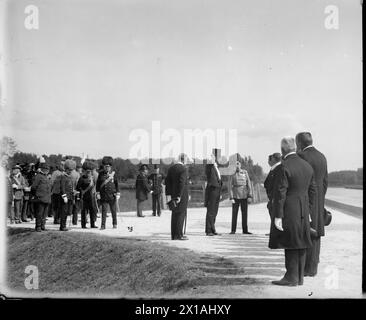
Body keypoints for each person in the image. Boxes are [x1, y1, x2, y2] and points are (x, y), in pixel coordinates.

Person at [270, 137, 316, 286]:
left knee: (290, 242)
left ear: (283, 150)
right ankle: (299, 278)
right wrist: (308, 210)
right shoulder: (307, 166)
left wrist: (277, 215)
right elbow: (313, 191)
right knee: (302, 241)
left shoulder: (284, 166)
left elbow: (280, 193)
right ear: (294, 148)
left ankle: (291, 277)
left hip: (289, 209)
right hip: (303, 208)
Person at [296, 132, 328, 277]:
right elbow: (325, 182)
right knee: (316, 235)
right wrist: (320, 199)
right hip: (319, 200)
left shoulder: (302, 156)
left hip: (306, 200)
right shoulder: (322, 156)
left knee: (305, 232)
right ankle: (313, 268)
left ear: (300, 143)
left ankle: (305, 269)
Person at [165, 153, 189, 240]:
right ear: (183, 160)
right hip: (181, 195)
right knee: (181, 214)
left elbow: (167, 182)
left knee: (174, 214)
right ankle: (179, 235)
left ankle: (174, 235)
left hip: (172, 194)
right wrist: (179, 195)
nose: (187, 161)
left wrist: (168, 195)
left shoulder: (171, 168)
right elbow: (182, 183)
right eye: (186, 159)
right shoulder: (183, 169)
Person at [228, 160, 253, 234]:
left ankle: (245, 230)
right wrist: (231, 197)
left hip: (244, 195)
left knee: (245, 214)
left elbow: (249, 184)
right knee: (234, 214)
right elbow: (230, 186)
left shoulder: (245, 172)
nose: (237, 166)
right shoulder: (232, 174)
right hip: (235, 196)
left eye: (238, 164)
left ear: (240, 165)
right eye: (235, 165)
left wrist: (250, 195)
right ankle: (233, 230)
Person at [96, 156, 120, 230]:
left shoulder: (113, 174)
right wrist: (98, 193)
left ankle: (115, 223)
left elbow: (116, 184)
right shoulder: (100, 174)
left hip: (112, 195)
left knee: (113, 211)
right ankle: (103, 226)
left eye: (108, 166)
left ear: (111, 167)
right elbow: (98, 184)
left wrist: (118, 193)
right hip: (104, 195)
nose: (107, 168)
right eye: (106, 166)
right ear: (104, 166)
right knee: (104, 211)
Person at [263, 153, 282, 235]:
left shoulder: (278, 169)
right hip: (272, 197)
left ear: (273, 159)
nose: (268, 162)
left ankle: (276, 232)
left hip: (275, 197)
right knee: (272, 213)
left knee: (275, 215)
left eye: (269, 160)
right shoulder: (273, 169)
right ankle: (274, 231)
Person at [204, 151, 222, 236]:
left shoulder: (215, 167)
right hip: (212, 190)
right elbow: (210, 161)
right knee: (210, 211)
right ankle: (208, 230)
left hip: (217, 190)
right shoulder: (209, 166)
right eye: (213, 156)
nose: (215, 158)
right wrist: (211, 155)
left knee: (215, 211)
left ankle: (212, 228)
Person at [76, 161, 98, 229]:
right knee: (84, 211)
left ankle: (92, 224)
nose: (88, 172)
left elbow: (95, 186)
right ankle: (83, 225)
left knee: (93, 210)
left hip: (92, 197)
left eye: (89, 171)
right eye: (87, 171)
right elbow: (77, 188)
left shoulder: (92, 178)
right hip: (84, 197)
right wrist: (79, 195)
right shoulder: (81, 178)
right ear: (85, 171)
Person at [31, 162, 52, 232]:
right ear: (42, 169)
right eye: (46, 169)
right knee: (39, 213)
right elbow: (33, 187)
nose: (47, 170)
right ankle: (38, 226)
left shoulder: (46, 177)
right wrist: (36, 195)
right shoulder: (38, 176)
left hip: (47, 198)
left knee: (44, 214)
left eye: (48, 169)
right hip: (40, 198)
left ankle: (43, 226)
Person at [59, 159, 76, 231]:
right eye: (69, 170)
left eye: (71, 170)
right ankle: (62, 226)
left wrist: (73, 192)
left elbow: (70, 187)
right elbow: (62, 187)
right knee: (64, 212)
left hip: (69, 197)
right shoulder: (63, 176)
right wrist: (64, 196)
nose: (70, 171)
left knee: (66, 212)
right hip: (65, 197)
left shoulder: (69, 177)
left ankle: (64, 225)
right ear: (66, 169)